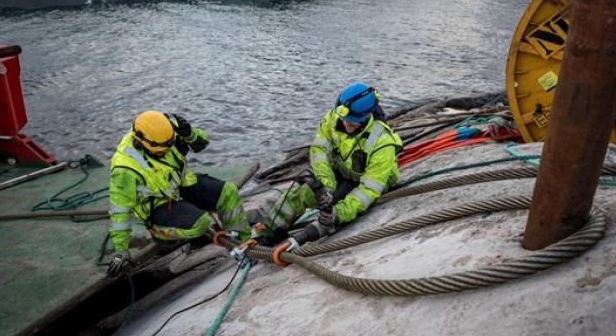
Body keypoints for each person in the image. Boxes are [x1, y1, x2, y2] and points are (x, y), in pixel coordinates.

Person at [259, 82, 402, 257]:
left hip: (368, 181)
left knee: (334, 216)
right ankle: (267, 232)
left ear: (366, 116)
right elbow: (319, 151)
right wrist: (326, 185)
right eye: (343, 118)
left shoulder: (382, 142)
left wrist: (338, 213)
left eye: (351, 122)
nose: (345, 123)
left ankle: (320, 225)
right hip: (342, 170)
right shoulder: (333, 118)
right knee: (300, 194)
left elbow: (369, 190)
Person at [107, 110, 251, 276]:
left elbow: (202, 142)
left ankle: (244, 243)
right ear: (142, 143)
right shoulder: (125, 168)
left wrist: (190, 135)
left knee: (228, 191)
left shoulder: (167, 130)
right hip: (158, 205)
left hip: (182, 184)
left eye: (170, 144)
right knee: (200, 223)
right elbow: (119, 211)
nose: (167, 151)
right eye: (161, 150)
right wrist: (121, 250)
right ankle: (159, 232)